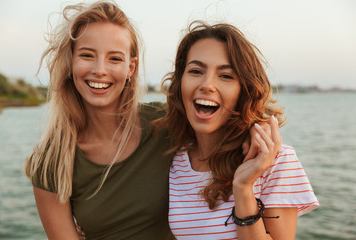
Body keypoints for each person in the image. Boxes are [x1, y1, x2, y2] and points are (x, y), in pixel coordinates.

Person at [24, 1, 175, 239]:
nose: (100, 70)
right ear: (71, 61)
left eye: (114, 59)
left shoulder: (166, 123)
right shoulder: (50, 160)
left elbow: (230, 128)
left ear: (130, 68)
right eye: (87, 55)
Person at [157, 21, 319, 239]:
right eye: (196, 71)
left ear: (243, 91)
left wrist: (244, 188)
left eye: (225, 75)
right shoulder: (175, 162)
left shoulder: (276, 161)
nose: (207, 84)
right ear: (180, 82)